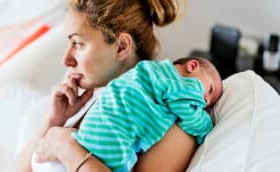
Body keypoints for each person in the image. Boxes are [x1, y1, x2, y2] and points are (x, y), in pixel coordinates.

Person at [14, 0, 221, 171]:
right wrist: (54, 120)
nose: (66, 60)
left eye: (78, 43)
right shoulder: (93, 99)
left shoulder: (172, 125)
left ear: (122, 47)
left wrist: (66, 147)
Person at [68, 57, 222, 171]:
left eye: (210, 102)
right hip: (114, 142)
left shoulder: (150, 69)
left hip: (91, 130)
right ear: (193, 66)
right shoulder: (185, 86)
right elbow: (187, 112)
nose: (206, 101)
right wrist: (206, 126)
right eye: (210, 89)